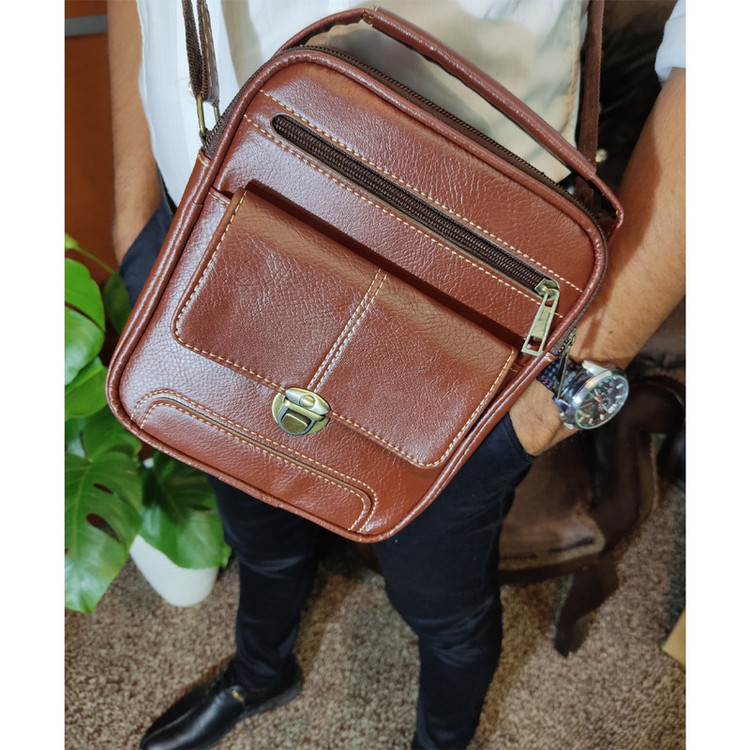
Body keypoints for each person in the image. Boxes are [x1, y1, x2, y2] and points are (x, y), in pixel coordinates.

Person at [106, 1, 685, 748]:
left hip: (462, 290)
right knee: (258, 527)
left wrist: (564, 391)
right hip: (211, 220)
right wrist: (134, 217)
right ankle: (261, 671)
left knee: (442, 602)